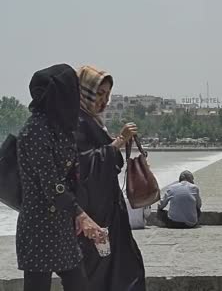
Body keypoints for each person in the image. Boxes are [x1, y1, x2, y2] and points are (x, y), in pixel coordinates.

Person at [17, 64, 105, 291]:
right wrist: (81, 215)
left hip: (62, 225)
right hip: (38, 228)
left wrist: (78, 213)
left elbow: (71, 175)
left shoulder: (62, 126)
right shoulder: (35, 131)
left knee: (78, 284)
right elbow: (52, 184)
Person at [75, 65, 146, 291]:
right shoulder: (77, 122)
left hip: (110, 212)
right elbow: (82, 167)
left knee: (127, 270)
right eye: (99, 93)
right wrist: (116, 143)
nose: (104, 100)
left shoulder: (92, 121)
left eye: (107, 94)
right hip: (94, 217)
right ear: (84, 92)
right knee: (101, 276)